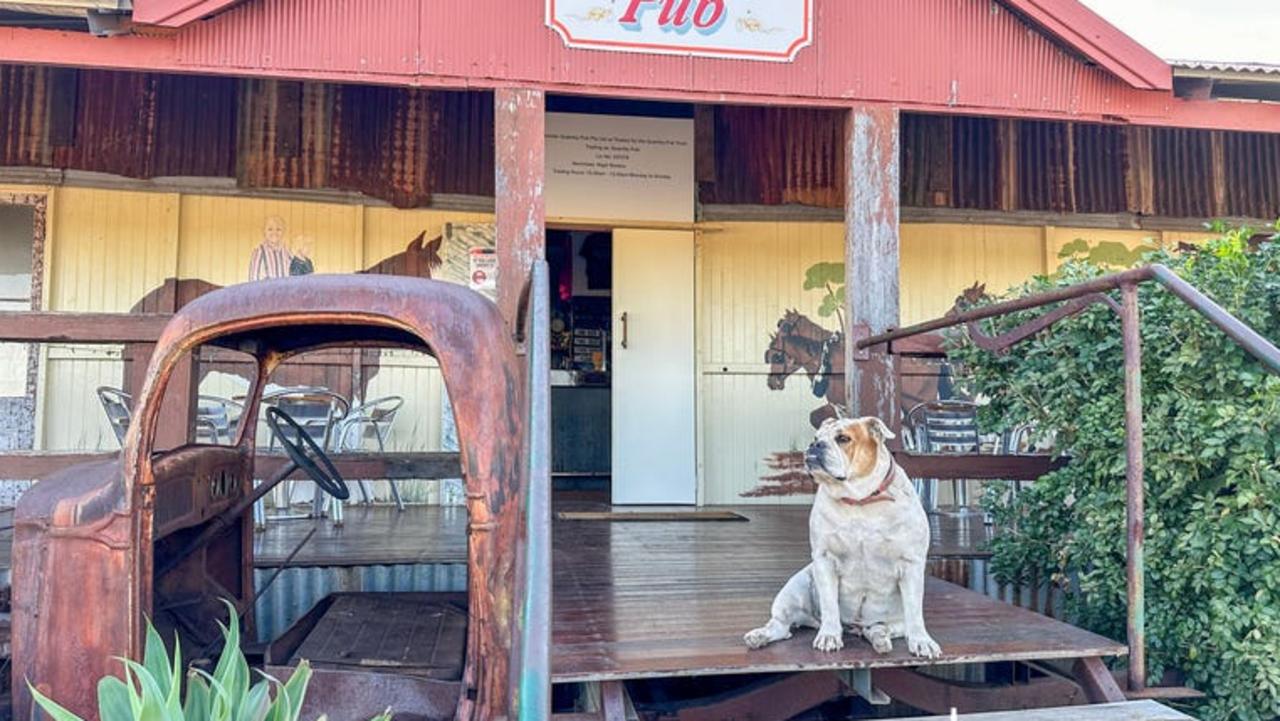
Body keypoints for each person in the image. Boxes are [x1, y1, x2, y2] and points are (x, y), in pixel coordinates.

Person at [248, 216, 292, 281]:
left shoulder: (288, 252)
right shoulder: (259, 251)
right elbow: (253, 279)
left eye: (278, 229)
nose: (274, 232)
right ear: (264, 231)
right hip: (267, 290)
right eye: (270, 229)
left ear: (283, 231)